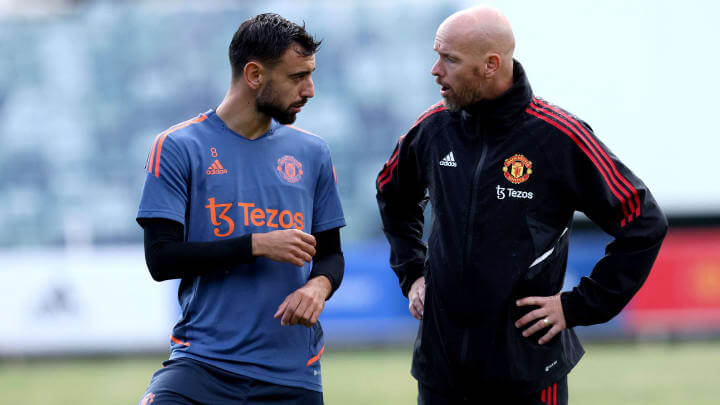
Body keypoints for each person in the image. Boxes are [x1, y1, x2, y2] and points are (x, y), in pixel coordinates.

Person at [376, 5, 667, 404]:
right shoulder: (432, 128)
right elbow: (392, 194)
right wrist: (412, 274)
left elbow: (643, 222)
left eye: (449, 59)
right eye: (437, 55)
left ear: (491, 64)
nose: (435, 70)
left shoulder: (558, 136)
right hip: (441, 371)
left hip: (528, 372)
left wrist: (578, 306)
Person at [136, 13, 345, 405]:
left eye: (310, 75)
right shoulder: (178, 147)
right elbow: (161, 259)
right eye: (297, 77)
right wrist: (256, 244)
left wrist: (319, 286)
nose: (310, 90)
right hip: (202, 364)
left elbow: (330, 254)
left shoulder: (313, 152)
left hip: (292, 374)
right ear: (254, 74)